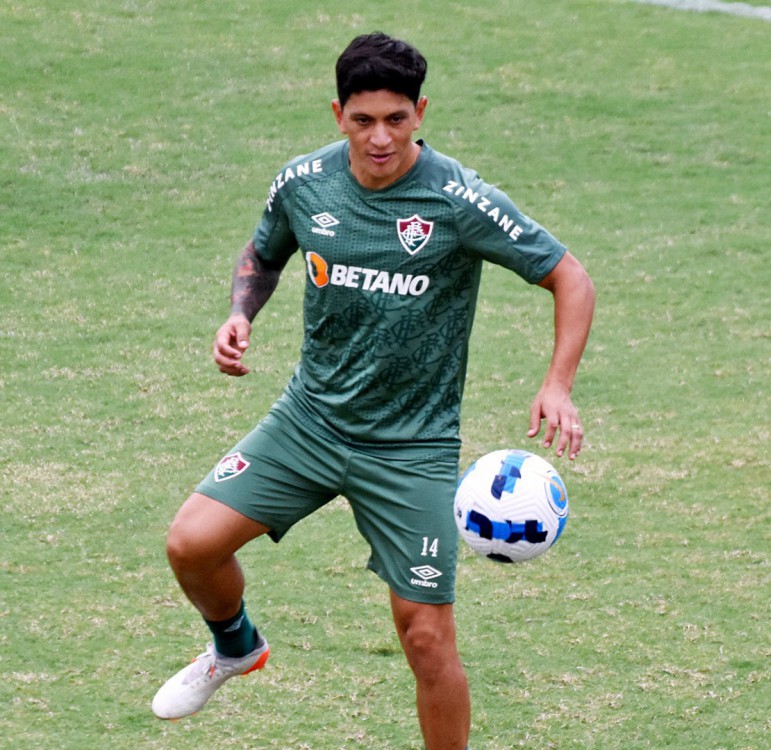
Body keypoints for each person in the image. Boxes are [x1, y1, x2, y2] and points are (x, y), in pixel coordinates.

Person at [151, 32, 595, 750]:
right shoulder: (304, 183)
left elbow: (569, 276)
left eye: (396, 118)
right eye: (364, 121)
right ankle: (234, 646)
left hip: (411, 449)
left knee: (425, 640)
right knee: (190, 546)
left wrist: (558, 384)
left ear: (420, 111)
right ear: (338, 114)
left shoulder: (458, 200)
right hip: (310, 422)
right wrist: (240, 314)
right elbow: (264, 253)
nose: (380, 137)